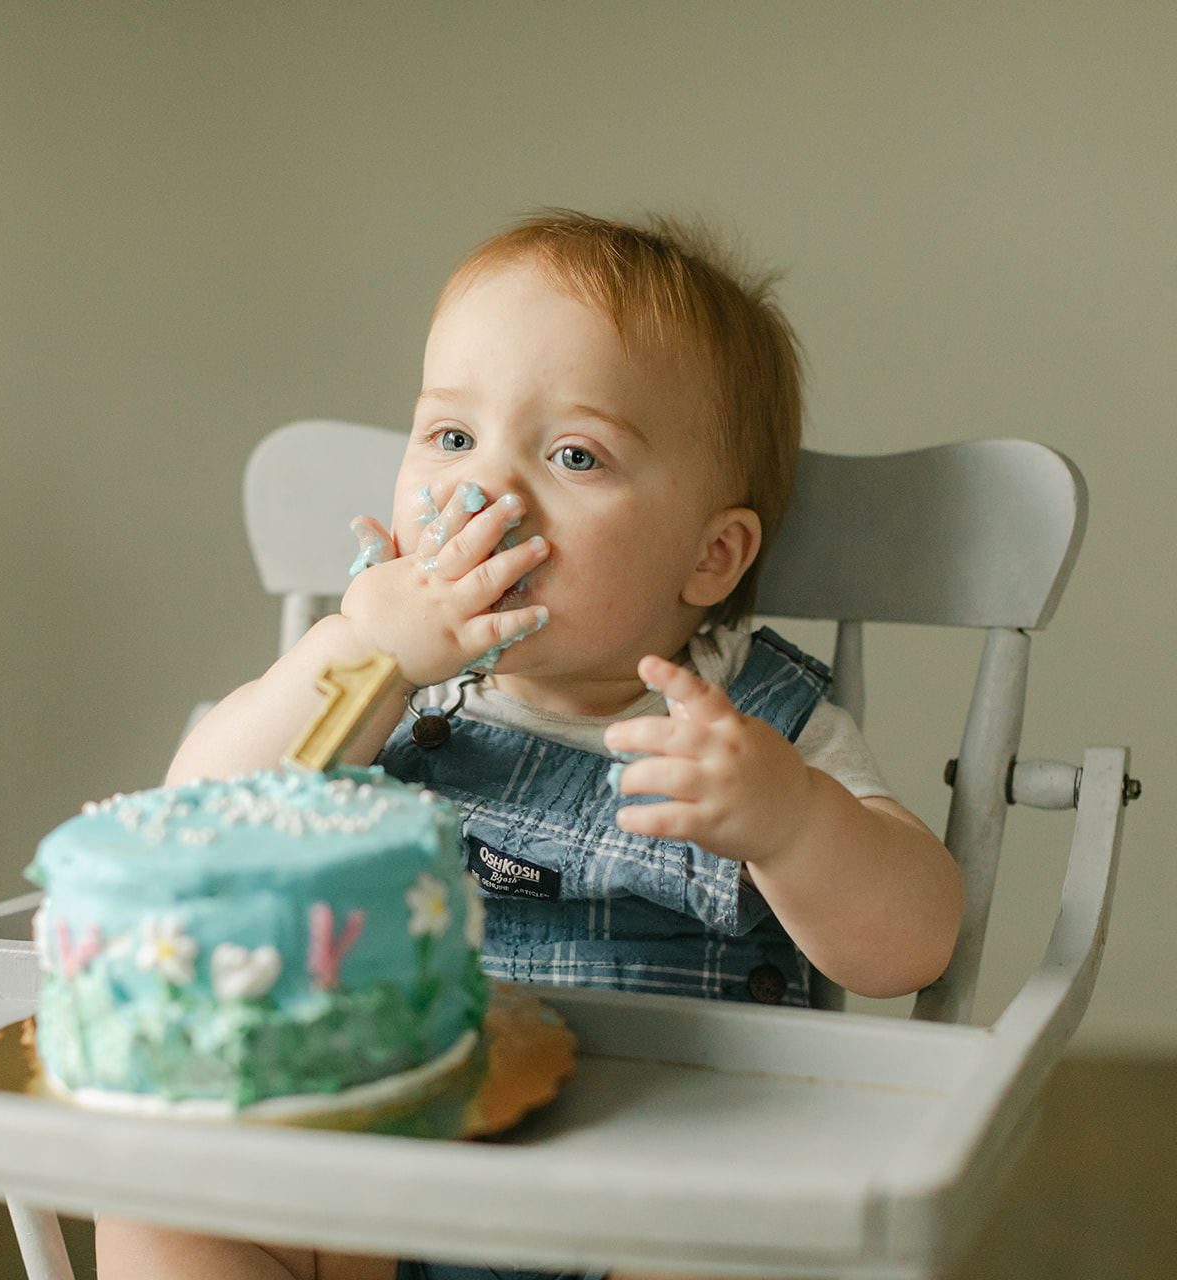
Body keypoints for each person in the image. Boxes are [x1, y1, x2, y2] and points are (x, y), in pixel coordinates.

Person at [98, 210, 964, 1280]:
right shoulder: (378, 687)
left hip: (657, 1190)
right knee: (160, 1206)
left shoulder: (751, 731)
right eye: (450, 437)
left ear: (711, 554)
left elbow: (911, 944)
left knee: (751, 1248)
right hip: (391, 1174)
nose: (487, 494)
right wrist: (363, 649)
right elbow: (197, 821)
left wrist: (792, 823)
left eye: (572, 454)